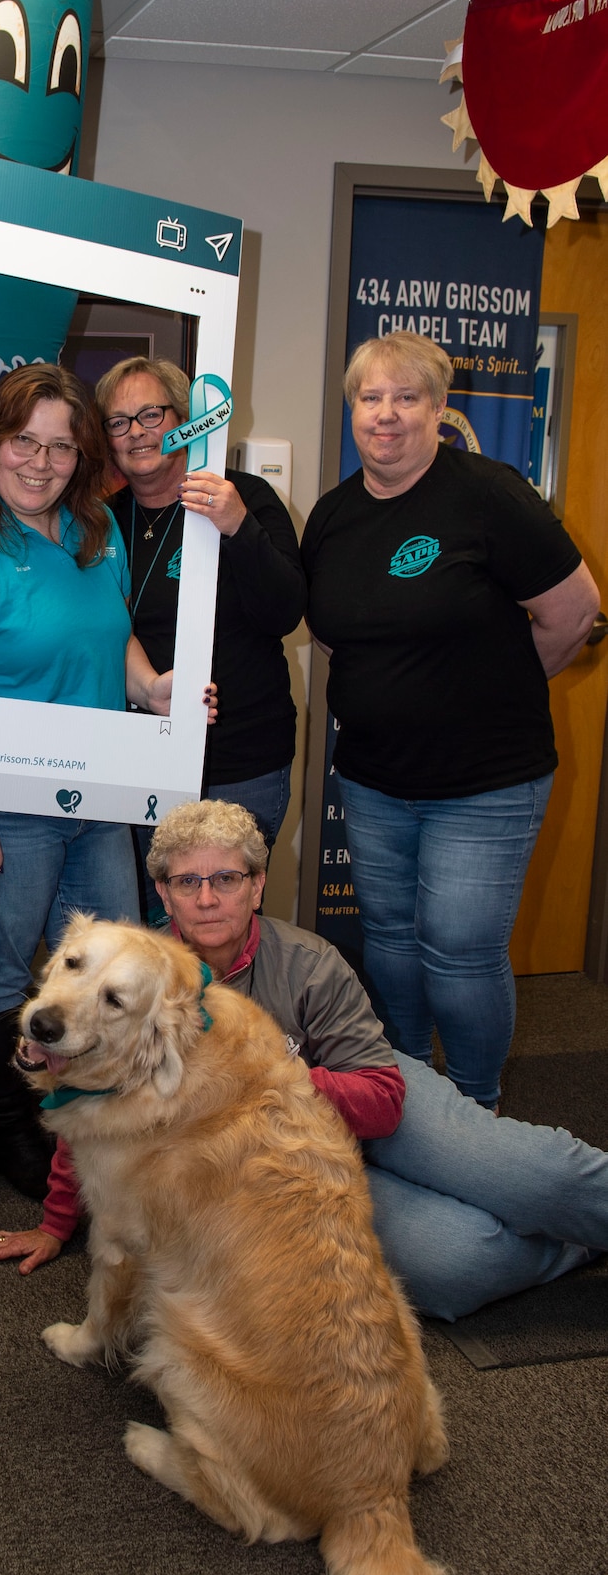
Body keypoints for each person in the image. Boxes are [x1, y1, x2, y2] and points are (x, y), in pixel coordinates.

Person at [0, 799, 608, 1323]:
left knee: (540, 1180)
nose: (208, 899)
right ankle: (574, 1247)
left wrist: (255, 1077)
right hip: (278, 1164)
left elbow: (381, 1102)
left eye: (227, 879)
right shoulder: (126, 980)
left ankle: (568, 1208)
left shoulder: (309, 963)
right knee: (455, 1266)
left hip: (368, 1100)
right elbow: (82, 1105)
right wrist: (55, 1224)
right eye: (188, 882)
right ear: (163, 891)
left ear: (257, 884)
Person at [0, 362, 199, 1199]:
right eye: (23, 441)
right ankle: (7, 1133)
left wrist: (157, 689)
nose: (40, 462)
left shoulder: (90, 536)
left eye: (61, 447)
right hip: (0, 812)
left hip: (97, 804)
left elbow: (114, 649)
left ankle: (83, 1121)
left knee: (109, 974)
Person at [301, 331, 600, 1109]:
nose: (387, 415)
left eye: (407, 398)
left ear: (438, 409)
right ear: (353, 409)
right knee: (392, 942)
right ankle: (406, 1093)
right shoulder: (331, 517)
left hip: (487, 783)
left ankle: (474, 1107)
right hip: (372, 779)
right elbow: (334, 632)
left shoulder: (488, 494)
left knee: (461, 951)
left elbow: (573, 614)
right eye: (371, 398)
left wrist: (485, 690)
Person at [98, 355, 304, 854]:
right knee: (145, 923)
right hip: (135, 757)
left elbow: (284, 612)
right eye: (119, 422)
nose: (137, 433)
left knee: (220, 922)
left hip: (237, 761)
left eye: (152, 414)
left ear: (185, 420)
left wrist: (237, 525)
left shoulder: (245, 496)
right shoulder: (103, 519)